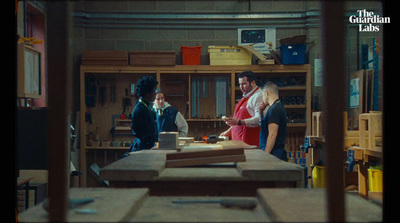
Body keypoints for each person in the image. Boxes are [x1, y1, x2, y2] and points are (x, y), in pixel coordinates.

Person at [220, 71, 263, 146]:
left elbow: (259, 120)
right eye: (240, 84)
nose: (241, 87)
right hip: (239, 143)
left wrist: (239, 122)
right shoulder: (246, 96)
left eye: (244, 84)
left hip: (250, 143)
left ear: (253, 83)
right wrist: (229, 130)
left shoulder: (258, 96)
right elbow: (239, 119)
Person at [129, 76, 158, 152]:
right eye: (154, 91)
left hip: (146, 147)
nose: (155, 93)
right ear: (148, 93)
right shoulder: (140, 109)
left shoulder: (146, 107)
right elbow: (145, 134)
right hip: (142, 149)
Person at [259, 81, 287, 161]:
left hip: (274, 154)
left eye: (262, 95)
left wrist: (266, 155)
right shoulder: (277, 107)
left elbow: (272, 134)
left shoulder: (274, 110)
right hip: (275, 153)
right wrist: (261, 112)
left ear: (266, 93)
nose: (263, 99)